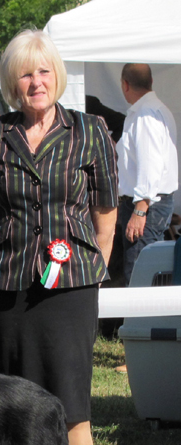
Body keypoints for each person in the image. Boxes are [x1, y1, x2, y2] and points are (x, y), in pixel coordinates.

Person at [0, 30, 118, 445]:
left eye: (45, 71)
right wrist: (0, 262)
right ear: (12, 82)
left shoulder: (91, 131)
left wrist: (90, 264)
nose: (36, 81)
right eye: (26, 73)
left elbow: (105, 213)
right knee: (13, 410)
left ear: (58, 76)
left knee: (72, 409)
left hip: (71, 287)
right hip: (9, 289)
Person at [117, 63, 178, 286]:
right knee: (149, 273)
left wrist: (140, 210)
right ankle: (148, 320)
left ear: (125, 84)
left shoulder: (145, 114)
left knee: (140, 275)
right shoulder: (154, 110)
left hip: (147, 205)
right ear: (151, 82)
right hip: (151, 203)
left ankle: (144, 321)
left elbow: (150, 163)